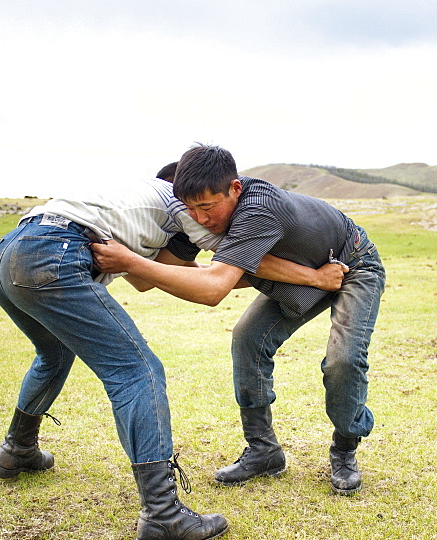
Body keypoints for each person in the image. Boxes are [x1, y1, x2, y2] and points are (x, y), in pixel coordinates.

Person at [0, 176, 345, 540]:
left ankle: (18, 449)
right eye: (194, 207)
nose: (200, 216)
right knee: (137, 371)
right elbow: (232, 266)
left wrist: (138, 259)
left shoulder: (130, 201)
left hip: (9, 253)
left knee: (53, 353)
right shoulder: (180, 203)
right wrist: (314, 277)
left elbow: (144, 279)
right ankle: (161, 513)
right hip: (51, 252)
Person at [90, 144, 386, 496]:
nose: (200, 219)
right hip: (307, 272)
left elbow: (216, 286)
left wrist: (129, 261)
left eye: (207, 207)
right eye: (189, 208)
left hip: (353, 264)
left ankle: (345, 447)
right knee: (247, 338)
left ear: (234, 189)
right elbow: (152, 278)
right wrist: (125, 248)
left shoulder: (259, 207)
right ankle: (264, 451)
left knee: (344, 359)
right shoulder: (196, 214)